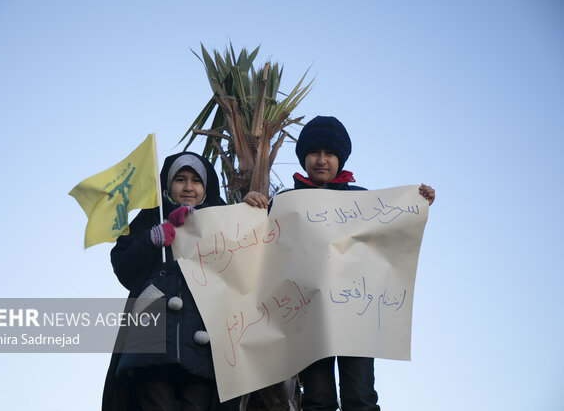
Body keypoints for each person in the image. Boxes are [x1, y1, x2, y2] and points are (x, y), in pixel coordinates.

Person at [243, 115, 435, 411]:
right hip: (309, 317)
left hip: (357, 314)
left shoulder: (363, 200)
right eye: (314, 153)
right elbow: (259, 244)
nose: (322, 160)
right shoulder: (285, 201)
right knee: (318, 400)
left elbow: (394, 235)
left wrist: (418, 202)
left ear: (341, 158)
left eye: (330, 153)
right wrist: (253, 204)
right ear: (303, 157)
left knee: (360, 397)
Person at [102, 151, 230, 411]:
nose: (188, 187)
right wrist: (151, 239)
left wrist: (253, 205)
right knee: (155, 401)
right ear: (167, 186)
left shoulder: (224, 223)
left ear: (206, 188)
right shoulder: (151, 218)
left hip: (203, 344)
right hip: (153, 340)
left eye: (196, 181)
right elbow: (123, 267)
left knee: (199, 403)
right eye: (180, 179)